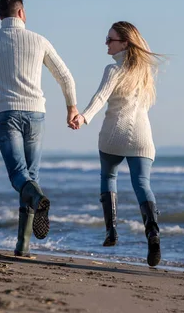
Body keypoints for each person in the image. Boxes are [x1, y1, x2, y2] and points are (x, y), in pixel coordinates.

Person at [0, 0, 78, 257]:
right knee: (31, 176)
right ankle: (23, 245)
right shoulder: (39, 40)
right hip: (36, 113)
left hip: (4, 114)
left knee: (19, 176)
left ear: (0, 14)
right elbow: (65, 76)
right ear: (22, 13)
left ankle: (31, 221)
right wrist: (71, 106)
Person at [71, 21, 164, 267]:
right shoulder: (145, 72)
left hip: (114, 134)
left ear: (124, 43)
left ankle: (111, 232)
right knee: (142, 184)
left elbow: (101, 97)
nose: (106, 43)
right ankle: (153, 232)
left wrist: (84, 117)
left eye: (110, 39)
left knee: (108, 177)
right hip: (143, 138)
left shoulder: (113, 70)